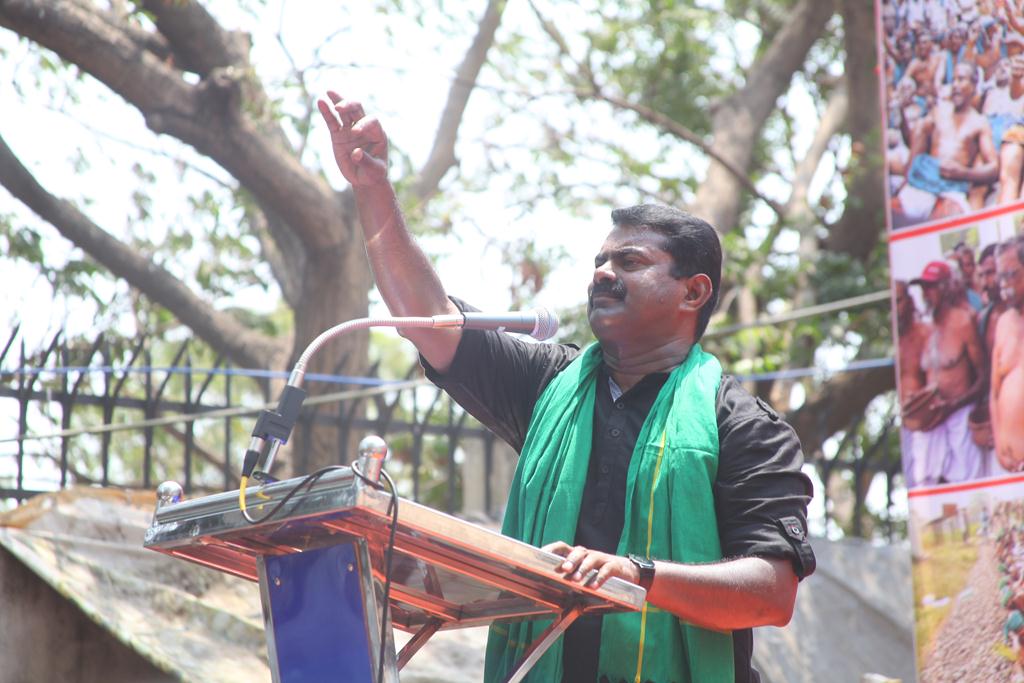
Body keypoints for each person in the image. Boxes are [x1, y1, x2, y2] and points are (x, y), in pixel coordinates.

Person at [318, 92, 815, 683]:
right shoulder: (550, 386)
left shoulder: (743, 426)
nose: (602, 272)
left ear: (693, 292)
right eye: (600, 261)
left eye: (629, 262)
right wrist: (372, 186)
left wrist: (639, 576)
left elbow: (771, 592)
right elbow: (426, 319)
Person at [907, 260, 988, 483]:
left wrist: (953, 405)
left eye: (931, 287)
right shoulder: (925, 328)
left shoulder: (963, 321)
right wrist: (918, 400)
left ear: (946, 288)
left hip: (960, 417)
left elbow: (983, 377)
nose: (926, 293)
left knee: (968, 484)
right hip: (932, 421)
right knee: (928, 483)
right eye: (923, 288)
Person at [894, 62, 998, 226]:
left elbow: (994, 167)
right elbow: (912, 142)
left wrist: (964, 173)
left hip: (952, 188)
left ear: (973, 85)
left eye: (961, 79)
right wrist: (901, 114)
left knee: (948, 218)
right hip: (924, 180)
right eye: (953, 80)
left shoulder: (979, 123)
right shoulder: (938, 111)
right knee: (896, 212)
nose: (955, 85)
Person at [992, 238, 1024, 470]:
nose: (1005, 285)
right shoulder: (1003, 323)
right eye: (1000, 276)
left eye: (1011, 275)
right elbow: (994, 393)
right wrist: (999, 447)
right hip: (1010, 468)